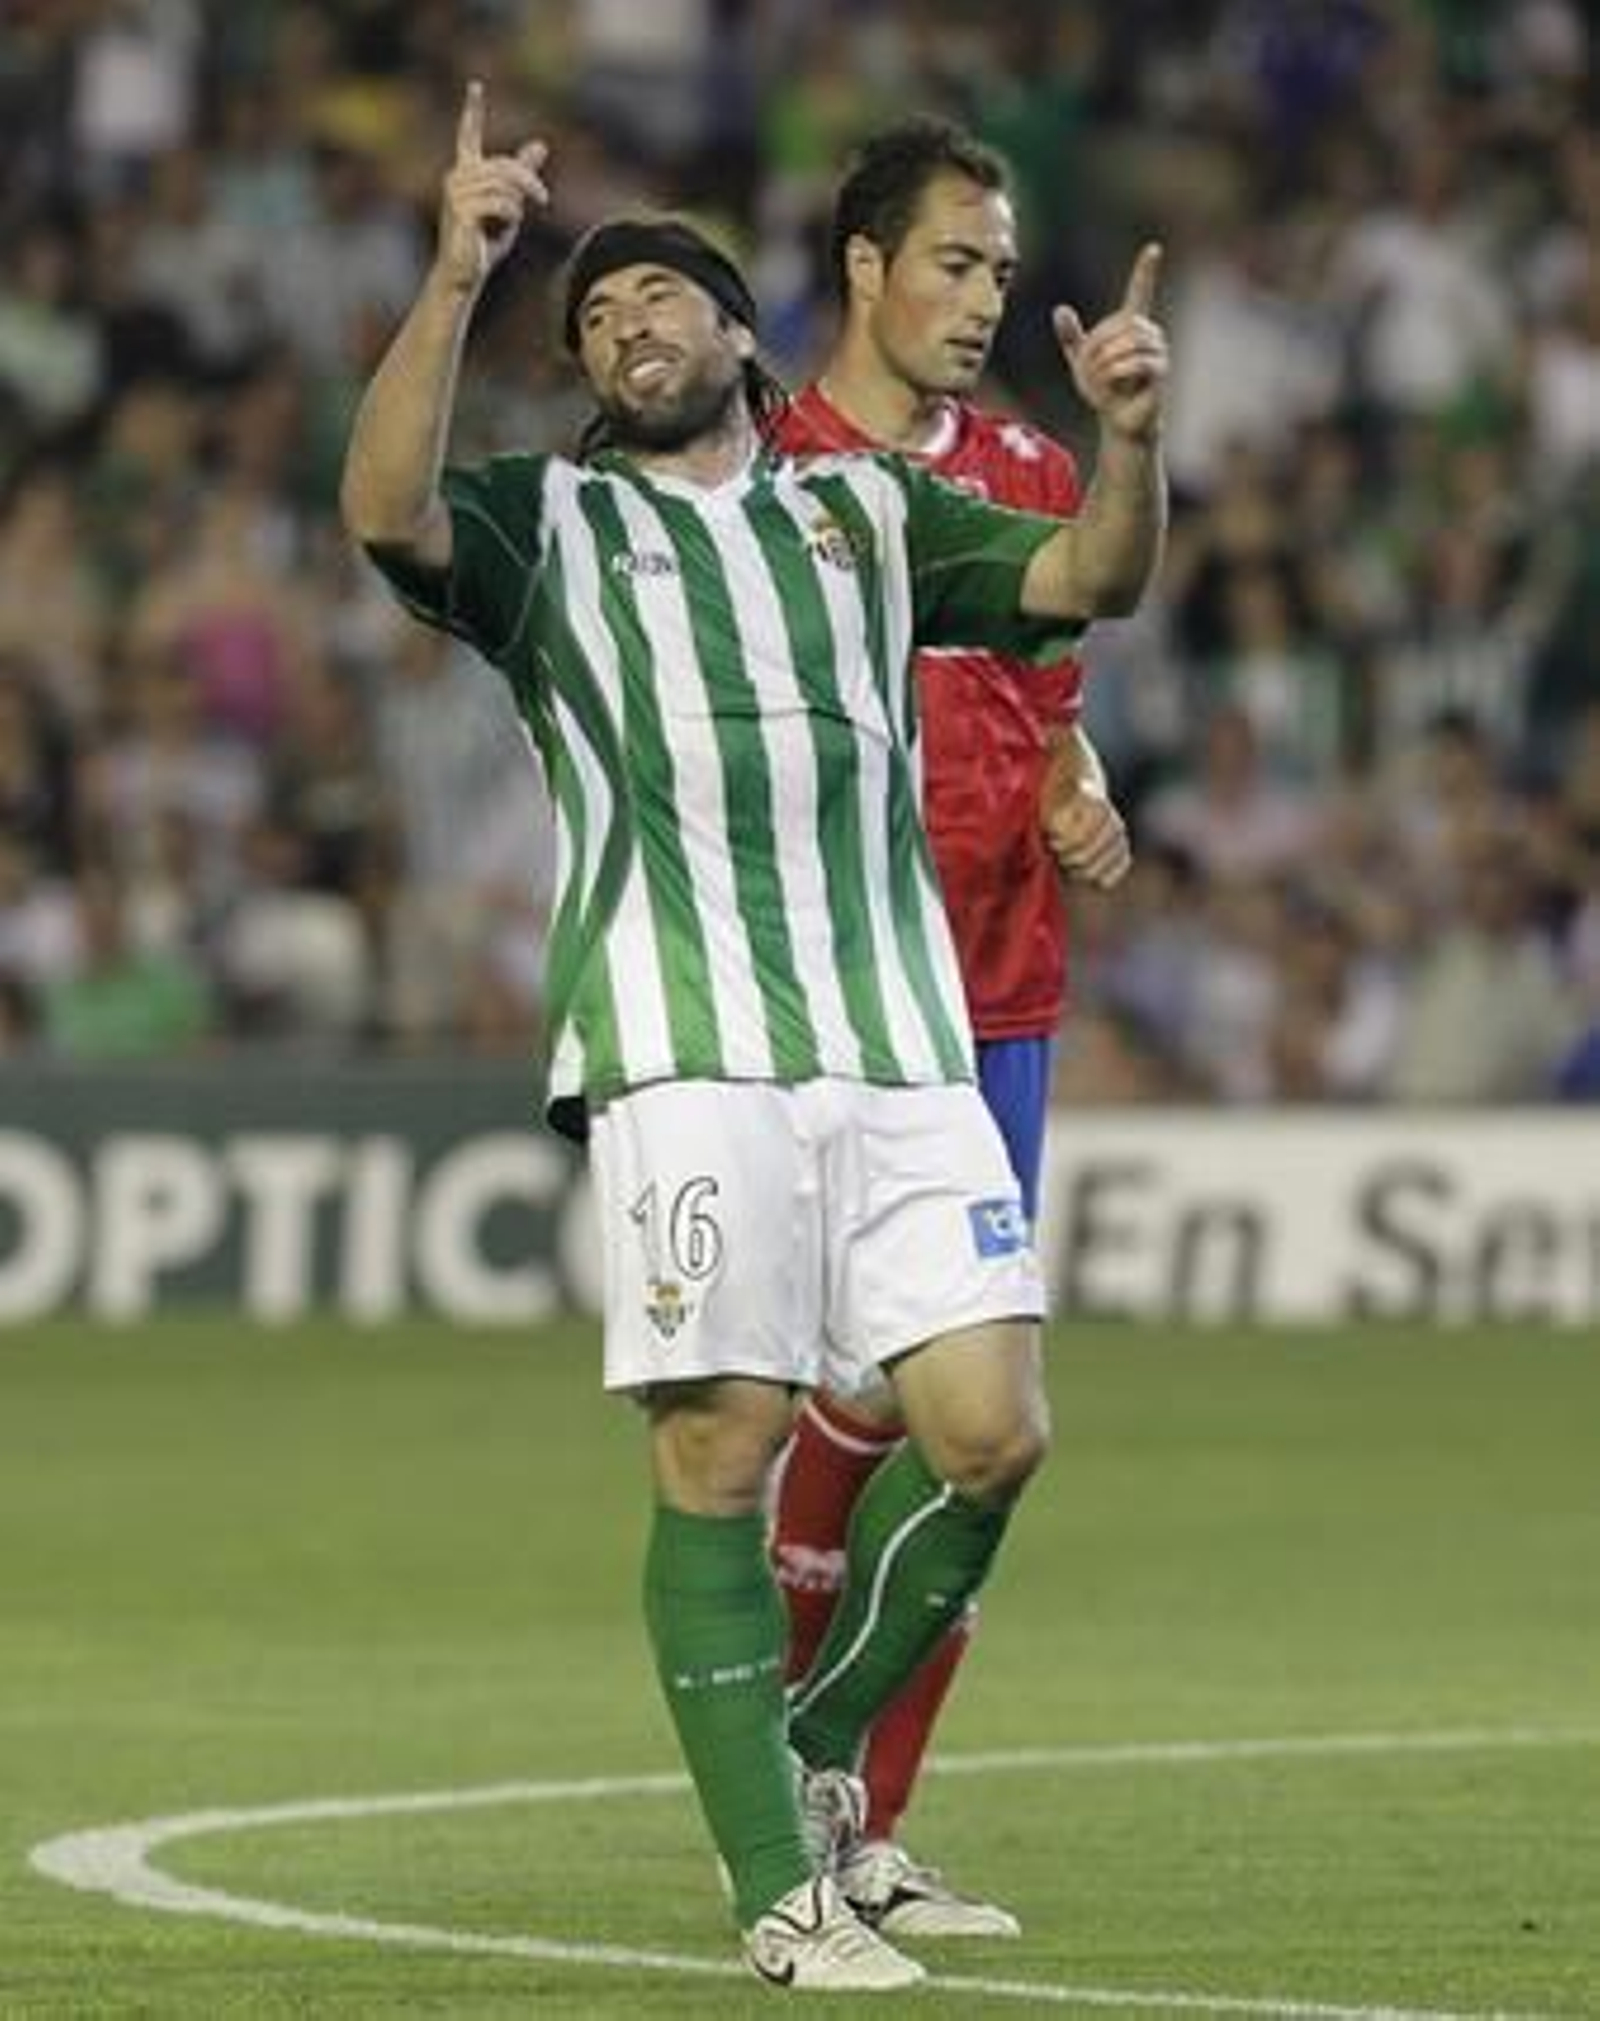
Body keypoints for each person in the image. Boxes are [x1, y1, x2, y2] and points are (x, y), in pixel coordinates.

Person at [341, 82, 1166, 1993]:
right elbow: (380, 508)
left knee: (993, 1433)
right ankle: (781, 1892)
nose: (626, 324)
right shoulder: (548, 526)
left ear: (739, 329)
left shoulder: (868, 513)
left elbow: (1090, 583)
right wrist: (457, 277)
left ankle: (807, 1750)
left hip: (902, 1050)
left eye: (660, 297)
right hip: (689, 1056)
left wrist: (1132, 438)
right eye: (594, 316)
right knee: (723, 1448)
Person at [768, 116, 1135, 1941]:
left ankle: (861, 1821)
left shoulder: (1033, 469)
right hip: (829, 1005)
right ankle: (792, 1798)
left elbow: (1051, 702)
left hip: (1002, 992)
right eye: (955, 262)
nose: (985, 298)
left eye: (1000, 267)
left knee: (952, 1434)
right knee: (858, 1398)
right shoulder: (763, 469)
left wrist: (1086, 788)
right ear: (865, 266)